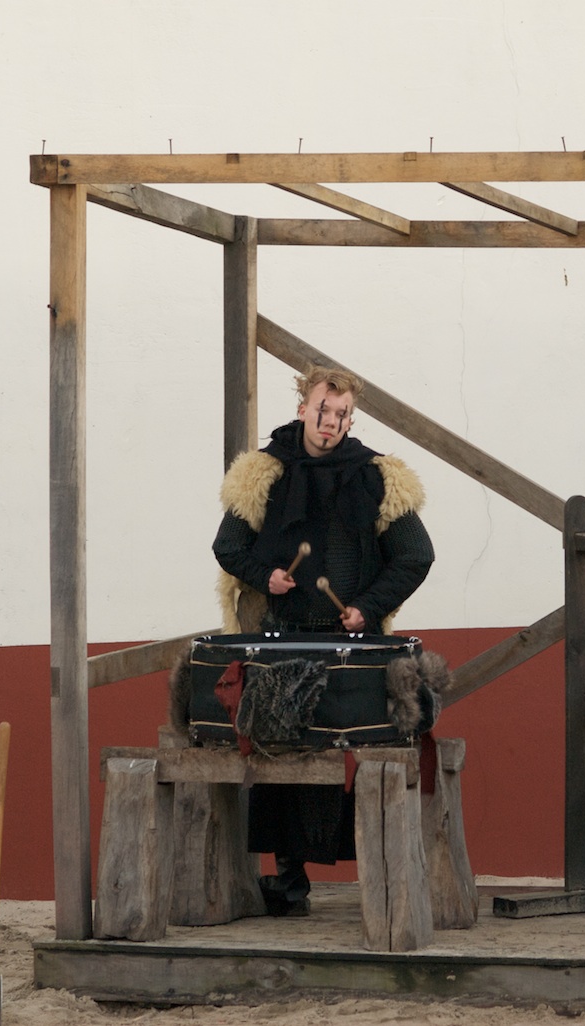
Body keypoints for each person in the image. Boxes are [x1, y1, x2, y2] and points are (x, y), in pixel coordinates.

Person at [212, 365, 435, 915]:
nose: (331, 421)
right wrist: (266, 576)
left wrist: (369, 606)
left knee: (355, 755)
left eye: (342, 414)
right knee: (279, 760)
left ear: (349, 419)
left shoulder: (376, 477)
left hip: (351, 647)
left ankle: (381, 888)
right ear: (302, 409)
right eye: (323, 409)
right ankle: (289, 881)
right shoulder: (263, 473)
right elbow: (228, 546)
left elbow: (416, 555)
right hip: (281, 640)